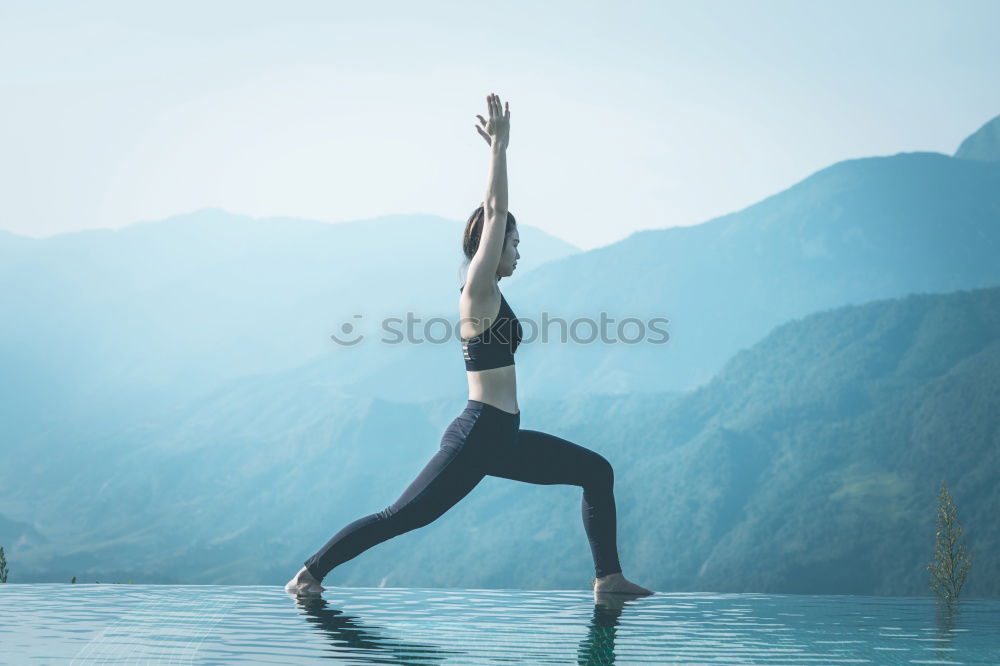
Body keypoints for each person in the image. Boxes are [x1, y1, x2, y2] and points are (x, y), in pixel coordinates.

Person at [286, 93, 653, 598]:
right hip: (478, 435)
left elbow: (497, 223)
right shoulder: (477, 290)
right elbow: (496, 211)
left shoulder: (492, 292)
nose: (520, 251)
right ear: (490, 244)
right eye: (514, 243)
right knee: (400, 518)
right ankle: (308, 575)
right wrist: (499, 150)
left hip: (503, 436)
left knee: (597, 471)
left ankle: (608, 579)